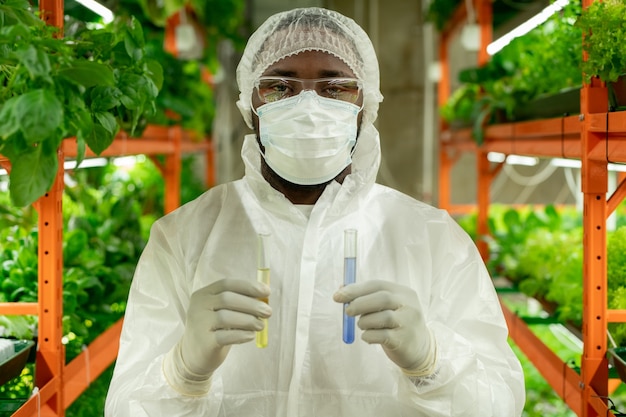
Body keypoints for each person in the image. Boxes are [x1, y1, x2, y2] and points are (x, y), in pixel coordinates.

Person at [105, 7, 525, 416]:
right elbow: (125, 408)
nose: (308, 107)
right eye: (279, 87)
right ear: (249, 105)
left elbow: (500, 404)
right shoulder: (183, 236)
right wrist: (181, 372)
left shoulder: (433, 238)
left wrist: (432, 363)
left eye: (335, 87)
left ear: (367, 104)